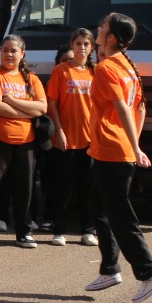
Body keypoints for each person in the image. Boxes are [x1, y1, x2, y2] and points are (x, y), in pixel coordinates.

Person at [84, 13, 152, 300]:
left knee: (120, 216)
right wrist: (135, 143)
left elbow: (122, 107)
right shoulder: (127, 67)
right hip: (112, 148)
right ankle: (109, 269)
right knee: (99, 207)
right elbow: (140, 108)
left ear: (113, 38)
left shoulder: (108, 67)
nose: (98, 27)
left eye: (103, 26)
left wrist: (134, 146)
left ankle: (149, 272)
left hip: (114, 150)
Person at [0, 35, 46, 250]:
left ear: (22, 54)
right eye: (5, 50)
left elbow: (42, 108)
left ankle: (24, 232)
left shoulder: (31, 79)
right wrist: (26, 110)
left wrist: (12, 101)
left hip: (26, 141)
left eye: (13, 51)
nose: (9, 54)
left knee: (24, 187)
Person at [46, 29, 97, 247]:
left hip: (91, 140)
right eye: (78, 43)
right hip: (66, 138)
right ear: (72, 45)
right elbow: (52, 103)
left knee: (88, 189)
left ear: (91, 47)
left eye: (86, 44)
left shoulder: (97, 72)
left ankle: (88, 230)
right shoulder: (61, 71)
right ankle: (59, 230)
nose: (82, 48)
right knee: (63, 188)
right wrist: (58, 129)